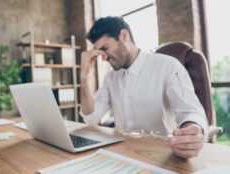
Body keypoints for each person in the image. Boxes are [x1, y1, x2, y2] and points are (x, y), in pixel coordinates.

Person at [80, 16, 208, 159]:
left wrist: (191, 133)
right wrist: (84, 78)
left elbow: (190, 112)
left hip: (162, 155)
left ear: (124, 36)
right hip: (123, 154)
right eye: (100, 53)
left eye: (105, 48)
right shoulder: (110, 78)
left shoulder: (167, 66)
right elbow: (91, 118)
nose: (103, 58)